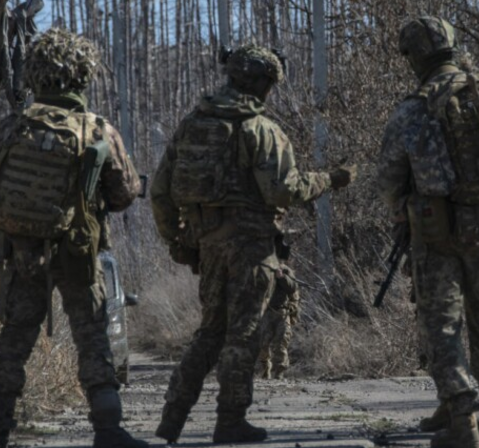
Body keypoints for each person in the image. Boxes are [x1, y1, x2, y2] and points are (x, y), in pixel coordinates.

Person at [150, 44, 356, 444]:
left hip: (208, 243)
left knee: (209, 332)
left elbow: (160, 191)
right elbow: (284, 190)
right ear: (263, 83)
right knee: (243, 333)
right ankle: (230, 421)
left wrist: (178, 241)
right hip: (253, 247)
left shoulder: (193, 124)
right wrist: (331, 179)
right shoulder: (262, 129)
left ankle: (171, 421)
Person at [0, 28, 146, 448]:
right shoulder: (96, 129)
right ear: (82, 75)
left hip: (21, 252)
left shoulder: (13, 125)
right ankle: (108, 428)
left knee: (14, 340)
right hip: (77, 254)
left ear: (36, 75)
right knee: (92, 337)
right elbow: (124, 195)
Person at [377, 16, 479, 448]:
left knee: (441, 325)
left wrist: (401, 211)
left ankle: (463, 420)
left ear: (415, 57)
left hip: (435, 231)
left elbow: (388, 179)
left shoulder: (413, 108)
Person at [257, 262, 299, 379]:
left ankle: (279, 372)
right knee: (262, 343)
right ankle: (266, 368)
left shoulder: (285, 270)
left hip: (282, 312)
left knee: (281, 343)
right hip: (266, 312)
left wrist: (281, 277)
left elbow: (293, 287)